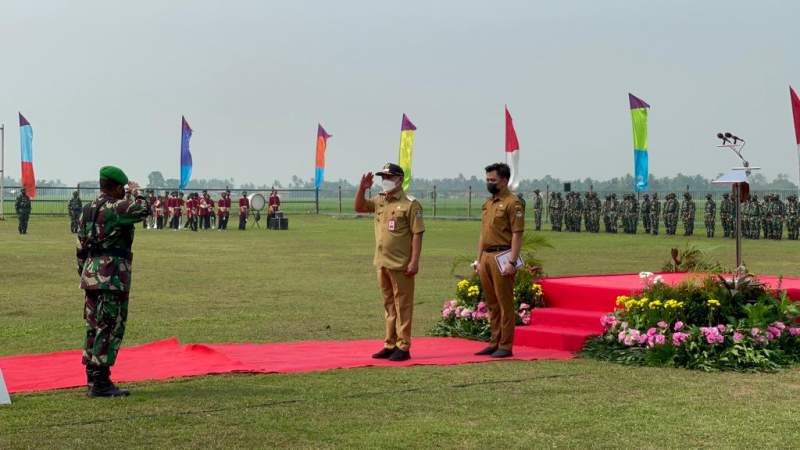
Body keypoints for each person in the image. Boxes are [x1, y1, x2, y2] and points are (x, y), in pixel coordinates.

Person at [76, 166, 150, 397]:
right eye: (123, 188)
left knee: (93, 325)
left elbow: (81, 245)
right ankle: (100, 383)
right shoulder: (116, 207)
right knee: (109, 325)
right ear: (118, 187)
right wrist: (137, 192)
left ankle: (93, 378)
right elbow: (143, 209)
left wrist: (85, 273)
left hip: (91, 274)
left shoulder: (87, 209)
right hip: (111, 276)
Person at [354, 163, 424, 362]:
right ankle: (390, 343)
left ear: (399, 179)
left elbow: (418, 234)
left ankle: (404, 346)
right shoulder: (380, 200)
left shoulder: (411, 204)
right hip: (382, 262)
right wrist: (362, 187)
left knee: (403, 305)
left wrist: (414, 261)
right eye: (382, 177)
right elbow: (359, 207)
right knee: (389, 306)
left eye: (389, 176)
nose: (385, 180)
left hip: (401, 264)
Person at [472, 162, 524, 358]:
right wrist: (478, 260)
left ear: (504, 180)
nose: (489, 183)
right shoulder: (488, 204)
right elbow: (482, 234)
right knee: (491, 302)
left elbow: (517, 234)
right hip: (486, 256)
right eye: (487, 180)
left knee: (504, 302)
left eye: (492, 180)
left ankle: (505, 344)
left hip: (502, 256)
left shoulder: (513, 203)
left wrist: (512, 262)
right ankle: (494, 341)